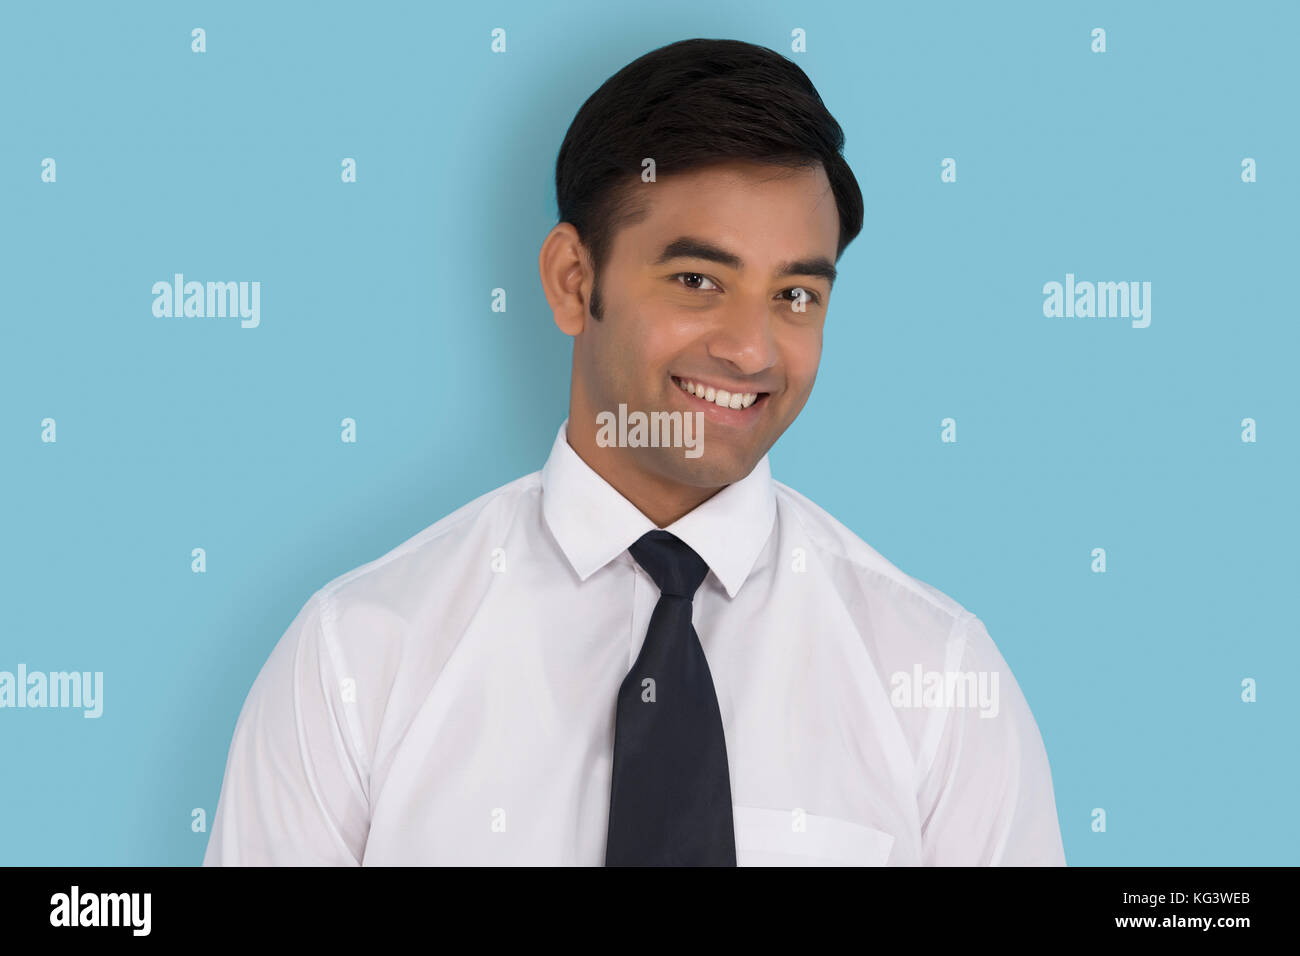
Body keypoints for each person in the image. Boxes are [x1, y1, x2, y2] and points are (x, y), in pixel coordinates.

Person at [204, 37, 1066, 866]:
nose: (752, 349)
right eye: (697, 280)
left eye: (796, 294)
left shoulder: (937, 679)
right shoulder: (357, 658)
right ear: (574, 282)